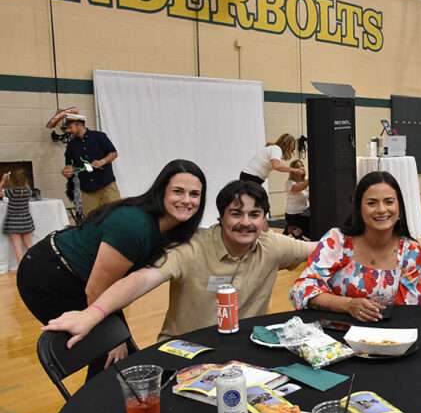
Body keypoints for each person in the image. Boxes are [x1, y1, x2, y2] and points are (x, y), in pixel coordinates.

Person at [43, 180, 313, 345]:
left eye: (255, 214)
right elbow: (141, 280)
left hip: (243, 352)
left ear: (265, 219)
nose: (245, 222)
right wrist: (92, 315)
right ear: (220, 217)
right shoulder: (192, 247)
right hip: (187, 353)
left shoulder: (273, 244)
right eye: (236, 213)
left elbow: (324, 249)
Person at [21, 159, 206, 374]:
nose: (187, 200)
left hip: (84, 279)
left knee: (122, 358)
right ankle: (95, 407)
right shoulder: (134, 226)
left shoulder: (172, 230)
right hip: (49, 275)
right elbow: (95, 289)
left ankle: (103, 403)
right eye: (178, 192)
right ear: (161, 191)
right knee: (111, 354)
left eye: (194, 194)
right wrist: (113, 338)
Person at [291, 171, 421, 321]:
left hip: (387, 337)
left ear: (399, 208)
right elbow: (301, 290)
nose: (381, 209)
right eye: (371, 203)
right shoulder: (338, 241)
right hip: (333, 336)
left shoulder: (410, 250)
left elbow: (411, 309)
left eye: (389, 201)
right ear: (359, 210)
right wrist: (348, 305)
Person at [61, 113, 121, 216]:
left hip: (107, 186)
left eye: (70, 127)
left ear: (79, 125)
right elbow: (68, 165)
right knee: (91, 221)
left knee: (116, 215)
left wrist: (102, 161)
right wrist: (67, 171)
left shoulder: (99, 136)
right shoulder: (71, 145)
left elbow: (113, 153)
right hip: (87, 190)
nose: (69, 130)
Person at [240, 133, 304, 204]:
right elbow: (276, 166)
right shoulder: (276, 149)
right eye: (291, 149)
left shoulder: (273, 149)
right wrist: (295, 170)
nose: (291, 151)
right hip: (250, 178)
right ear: (288, 146)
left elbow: (278, 165)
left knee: (258, 202)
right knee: (258, 203)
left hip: (250, 177)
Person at [0, 169, 34, 264]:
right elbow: (25, 185)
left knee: (17, 246)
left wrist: (3, 180)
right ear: (25, 180)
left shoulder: (11, 191)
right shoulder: (28, 190)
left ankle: (21, 267)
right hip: (26, 221)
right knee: (29, 245)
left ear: (11, 181)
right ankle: (35, 264)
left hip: (14, 222)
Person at [284, 159, 310, 239]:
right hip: (293, 214)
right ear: (293, 170)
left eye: (302, 166)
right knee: (300, 236)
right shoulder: (289, 183)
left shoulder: (305, 180)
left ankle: (290, 229)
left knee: (308, 233)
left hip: (304, 212)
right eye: (298, 167)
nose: (301, 168)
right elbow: (298, 188)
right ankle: (290, 229)